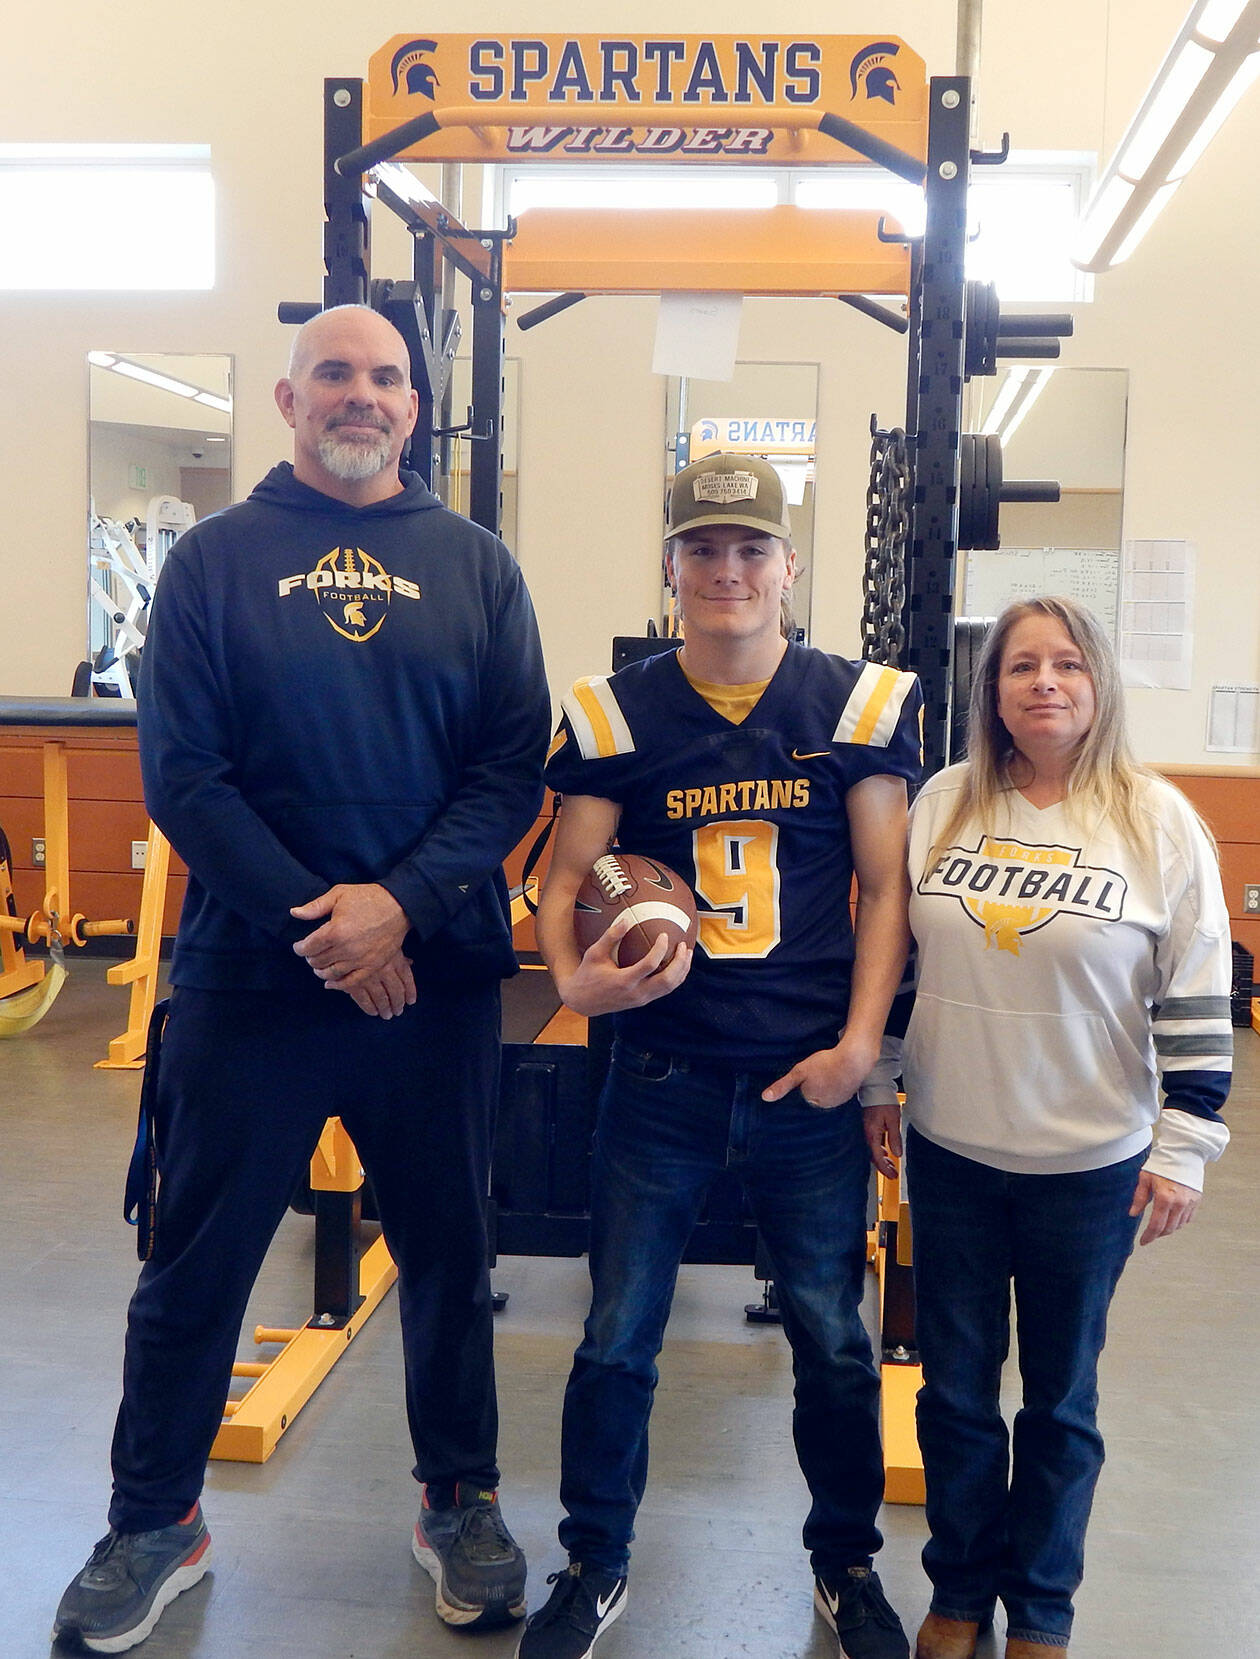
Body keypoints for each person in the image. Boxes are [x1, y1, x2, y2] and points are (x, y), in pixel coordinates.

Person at [53, 305, 551, 1653]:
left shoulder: (477, 566)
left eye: (388, 375)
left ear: (413, 404)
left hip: (429, 980)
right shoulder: (213, 563)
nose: (364, 393)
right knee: (195, 1257)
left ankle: (461, 1500)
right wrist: (318, 926)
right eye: (338, 371)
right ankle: (154, 1516)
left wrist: (397, 907)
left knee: (451, 1251)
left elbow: (510, 769)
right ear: (288, 396)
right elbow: (184, 778)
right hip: (250, 982)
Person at [523, 452, 922, 1659]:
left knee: (834, 1337)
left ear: (789, 568)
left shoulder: (852, 706)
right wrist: (571, 974)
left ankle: (844, 1563)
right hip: (661, 1076)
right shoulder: (616, 710)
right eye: (704, 550)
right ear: (673, 567)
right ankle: (594, 1560)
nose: (728, 570)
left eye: (751, 549)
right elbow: (560, 880)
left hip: (802, 1080)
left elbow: (885, 888)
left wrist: (862, 1049)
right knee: (617, 1335)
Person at [861, 597, 1233, 1659]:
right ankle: (960, 1592)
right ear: (993, 692)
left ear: (1099, 684)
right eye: (1021, 666)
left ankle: (1045, 1613)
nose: (1045, 683)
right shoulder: (942, 803)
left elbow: (1199, 992)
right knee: (957, 1397)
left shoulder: (1156, 821)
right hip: (953, 1152)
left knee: (1060, 1404)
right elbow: (897, 952)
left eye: (1068, 664)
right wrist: (882, 1079)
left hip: (1090, 1167)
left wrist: (1186, 1145)